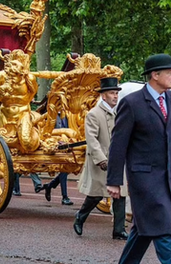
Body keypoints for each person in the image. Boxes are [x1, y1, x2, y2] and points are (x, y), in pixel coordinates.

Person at [106, 54, 171, 264]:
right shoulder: (132, 103)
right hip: (144, 182)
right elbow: (118, 144)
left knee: (143, 232)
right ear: (155, 75)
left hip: (167, 179)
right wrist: (114, 180)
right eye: (170, 72)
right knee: (163, 231)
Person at [73, 77, 126, 239]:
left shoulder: (119, 113)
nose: (115, 96)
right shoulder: (93, 114)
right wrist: (101, 159)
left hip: (117, 161)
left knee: (120, 195)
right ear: (103, 96)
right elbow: (91, 139)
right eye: (112, 93)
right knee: (95, 195)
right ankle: (80, 217)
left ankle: (119, 230)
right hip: (100, 162)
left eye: (116, 93)